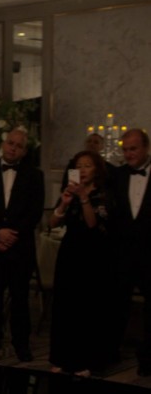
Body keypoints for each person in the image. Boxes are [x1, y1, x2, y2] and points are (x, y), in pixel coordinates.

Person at [0, 128, 44, 362]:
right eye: (11, 143)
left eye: (19, 146)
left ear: (24, 151)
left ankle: (21, 343)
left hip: (20, 248)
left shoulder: (35, 175)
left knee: (20, 298)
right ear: (4, 144)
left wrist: (11, 236)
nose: (13, 148)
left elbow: (34, 212)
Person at [48, 150, 113, 377]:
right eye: (78, 166)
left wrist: (84, 197)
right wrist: (64, 203)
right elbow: (52, 222)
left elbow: (92, 224)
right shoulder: (70, 192)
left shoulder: (103, 195)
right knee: (64, 306)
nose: (82, 170)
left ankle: (86, 361)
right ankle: (61, 357)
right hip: (70, 253)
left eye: (87, 166)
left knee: (86, 309)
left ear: (96, 170)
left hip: (93, 255)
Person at [110, 128, 151, 376]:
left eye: (133, 149)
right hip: (123, 254)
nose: (128, 154)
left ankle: (148, 359)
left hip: (150, 255)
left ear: (146, 147)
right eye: (125, 150)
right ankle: (110, 352)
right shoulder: (117, 175)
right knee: (116, 304)